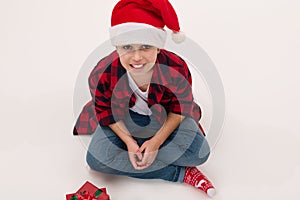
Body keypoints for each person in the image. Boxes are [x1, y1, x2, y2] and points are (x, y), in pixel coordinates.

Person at [73, 0, 216, 197]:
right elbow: (106, 113)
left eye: (146, 46)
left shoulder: (175, 68)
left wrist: (156, 142)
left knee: (200, 152)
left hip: (164, 119)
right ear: (117, 48)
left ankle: (130, 158)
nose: (137, 57)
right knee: (96, 160)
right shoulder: (102, 73)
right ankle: (179, 174)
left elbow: (179, 108)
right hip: (125, 120)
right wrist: (130, 143)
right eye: (127, 47)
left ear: (158, 47)